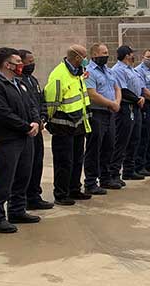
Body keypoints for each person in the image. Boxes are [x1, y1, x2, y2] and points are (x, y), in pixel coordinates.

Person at [0, 48, 41, 233]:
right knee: (5, 178)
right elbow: (3, 114)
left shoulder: (20, 83)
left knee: (23, 175)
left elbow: (32, 104)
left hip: (25, 138)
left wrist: (36, 121)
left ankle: (17, 210)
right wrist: (26, 126)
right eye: (17, 62)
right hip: (7, 140)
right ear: (7, 65)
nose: (21, 65)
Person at [44, 45, 92, 206]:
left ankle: (74, 189)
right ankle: (61, 194)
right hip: (63, 126)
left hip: (78, 123)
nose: (87, 59)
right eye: (85, 56)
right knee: (64, 161)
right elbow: (51, 102)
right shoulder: (59, 74)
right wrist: (49, 121)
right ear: (77, 57)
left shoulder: (77, 73)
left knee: (77, 159)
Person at [83, 43, 121, 195]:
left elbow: (117, 88)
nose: (106, 55)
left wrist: (116, 103)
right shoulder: (89, 72)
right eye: (103, 53)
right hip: (96, 113)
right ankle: (90, 182)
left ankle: (106, 178)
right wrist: (111, 104)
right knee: (94, 148)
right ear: (94, 55)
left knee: (109, 146)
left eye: (107, 52)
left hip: (110, 113)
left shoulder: (109, 71)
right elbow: (92, 94)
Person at [18, 49, 54, 211]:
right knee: (26, 166)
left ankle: (34, 195)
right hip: (27, 130)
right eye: (29, 62)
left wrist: (43, 118)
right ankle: (23, 198)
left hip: (38, 128)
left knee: (37, 163)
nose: (32, 64)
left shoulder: (33, 80)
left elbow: (41, 101)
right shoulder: (18, 82)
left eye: (33, 61)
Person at [110, 45, 145, 186]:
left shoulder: (131, 70)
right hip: (125, 107)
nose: (133, 57)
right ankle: (114, 172)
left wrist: (140, 98)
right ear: (126, 55)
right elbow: (122, 90)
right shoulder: (118, 70)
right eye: (132, 54)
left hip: (136, 107)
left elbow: (139, 87)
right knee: (122, 141)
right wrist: (136, 99)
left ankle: (129, 170)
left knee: (134, 139)